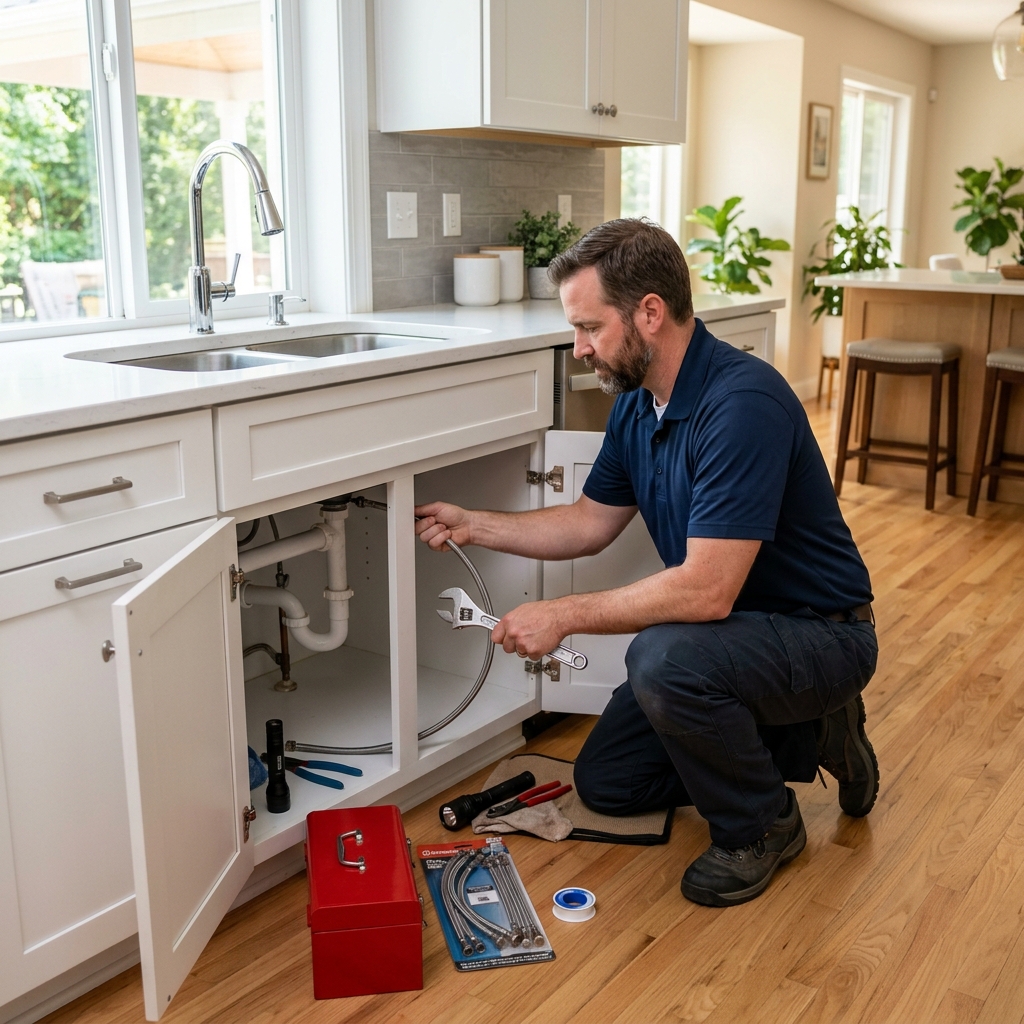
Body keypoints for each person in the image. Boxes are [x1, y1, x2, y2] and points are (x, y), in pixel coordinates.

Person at [415, 219, 878, 907]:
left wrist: (562, 615)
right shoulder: (638, 407)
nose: (579, 350)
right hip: (733, 641)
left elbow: (708, 591)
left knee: (664, 661)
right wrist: (474, 524)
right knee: (609, 784)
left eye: (589, 328)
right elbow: (589, 522)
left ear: (650, 313)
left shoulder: (741, 404)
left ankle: (763, 824)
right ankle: (808, 730)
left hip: (821, 632)